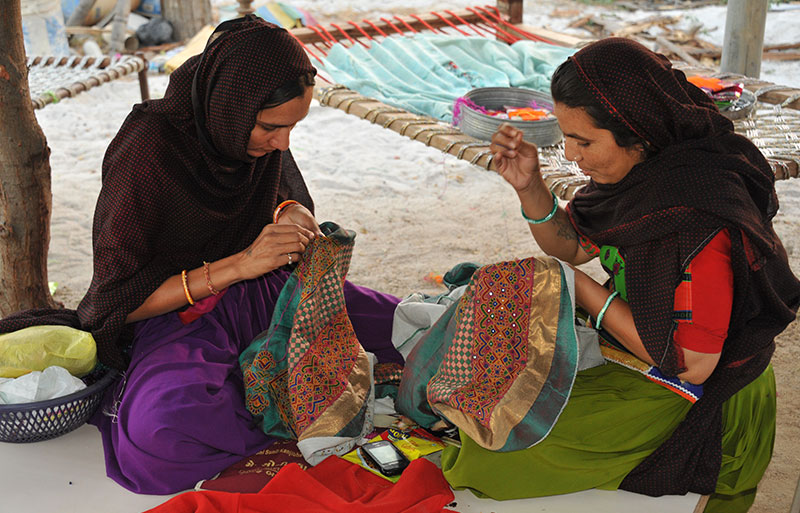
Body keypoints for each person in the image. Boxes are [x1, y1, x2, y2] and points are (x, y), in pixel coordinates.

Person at [5, 17, 403, 495]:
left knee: (405, 327)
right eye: (272, 128)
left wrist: (291, 210)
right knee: (162, 432)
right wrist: (239, 266)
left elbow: (281, 190)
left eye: (293, 126)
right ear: (230, 106)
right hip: (177, 316)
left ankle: (278, 396)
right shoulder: (148, 148)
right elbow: (117, 301)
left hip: (268, 293)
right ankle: (292, 403)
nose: (283, 143)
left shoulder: (240, 131)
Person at [439, 38, 800, 512]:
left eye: (583, 141)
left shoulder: (702, 218)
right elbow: (571, 245)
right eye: (566, 136)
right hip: (641, 352)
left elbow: (692, 362)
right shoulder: (640, 179)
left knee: (494, 458)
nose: (570, 155)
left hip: (701, 392)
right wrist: (530, 187)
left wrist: (583, 290)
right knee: (483, 412)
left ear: (638, 133)